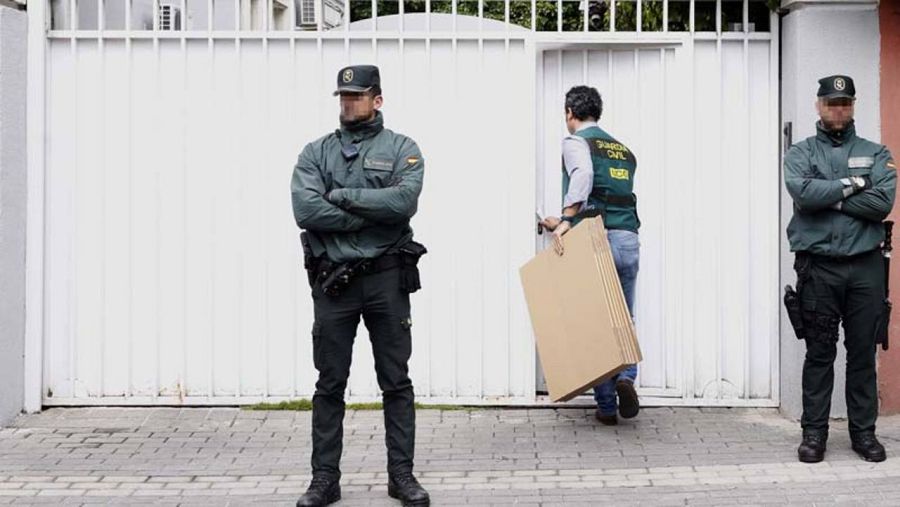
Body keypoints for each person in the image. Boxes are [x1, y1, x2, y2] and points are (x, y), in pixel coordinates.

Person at [291, 64, 430, 506]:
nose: (348, 102)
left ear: (378, 99)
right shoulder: (316, 153)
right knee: (329, 383)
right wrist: (373, 213)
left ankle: (401, 476)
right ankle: (324, 479)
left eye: (357, 95)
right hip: (334, 284)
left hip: (387, 281)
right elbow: (306, 211)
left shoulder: (404, 148)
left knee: (396, 381)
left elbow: (403, 201)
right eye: (343, 96)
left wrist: (343, 196)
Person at [784, 75, 896, 464]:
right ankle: (813, 434)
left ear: (853, 106)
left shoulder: (876, 152)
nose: (838, 109)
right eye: (832, 103)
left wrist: (827, 197)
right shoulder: (801, 152)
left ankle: (863, 434)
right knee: (819, 353)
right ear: (819, 106)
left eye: (845, 103)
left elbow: (881, 204)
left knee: (862, 353)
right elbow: (801, 192)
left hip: (865, 269)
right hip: (818, 270)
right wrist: (854, 185)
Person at [541, 85, 642, 426]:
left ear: (570, 112)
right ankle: (627, 375)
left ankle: (607, 407)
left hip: (597, 237)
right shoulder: (622, 150)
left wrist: (566, 220)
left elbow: (583, 176)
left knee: (595, 325)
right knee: (623, 316)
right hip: (628, 237)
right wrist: (563, 216)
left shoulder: (575, 141)